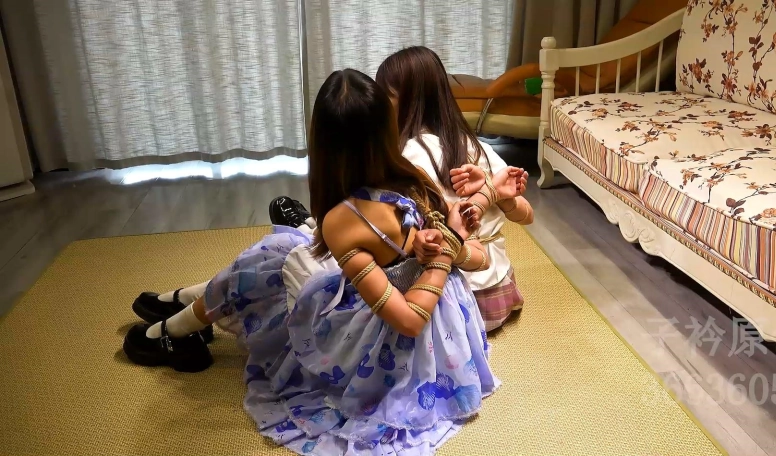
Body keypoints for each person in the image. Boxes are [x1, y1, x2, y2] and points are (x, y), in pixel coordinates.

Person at [123, 69, 526, 454]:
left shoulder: (343, 219)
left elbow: (408, 320)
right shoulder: (413, 176)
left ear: (325, 145)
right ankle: (181, 309)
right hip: (442, 317)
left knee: (266, 263)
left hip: (393, 336)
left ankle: (174, 327)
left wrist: (443, 250)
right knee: (276, 256)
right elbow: (474, 255)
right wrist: (450, 239)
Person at [376, 46, 534, 331]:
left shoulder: (405, 157)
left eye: (386, 96)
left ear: (408, 101)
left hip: (455, 302)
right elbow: (527, 215)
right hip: (500, 291)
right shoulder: (474, 144)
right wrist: (495, 193)